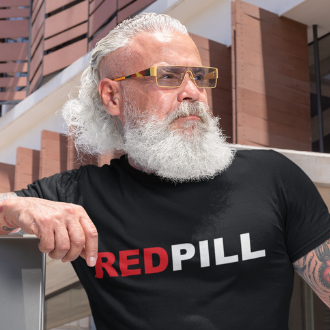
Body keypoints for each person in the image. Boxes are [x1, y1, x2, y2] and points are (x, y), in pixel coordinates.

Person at [0, 13, 329, 329]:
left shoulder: (273, 177)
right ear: (113, 97)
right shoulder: (82, 196)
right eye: (168, 76)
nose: (193, 93)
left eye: (198, 76)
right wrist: (17, 206)